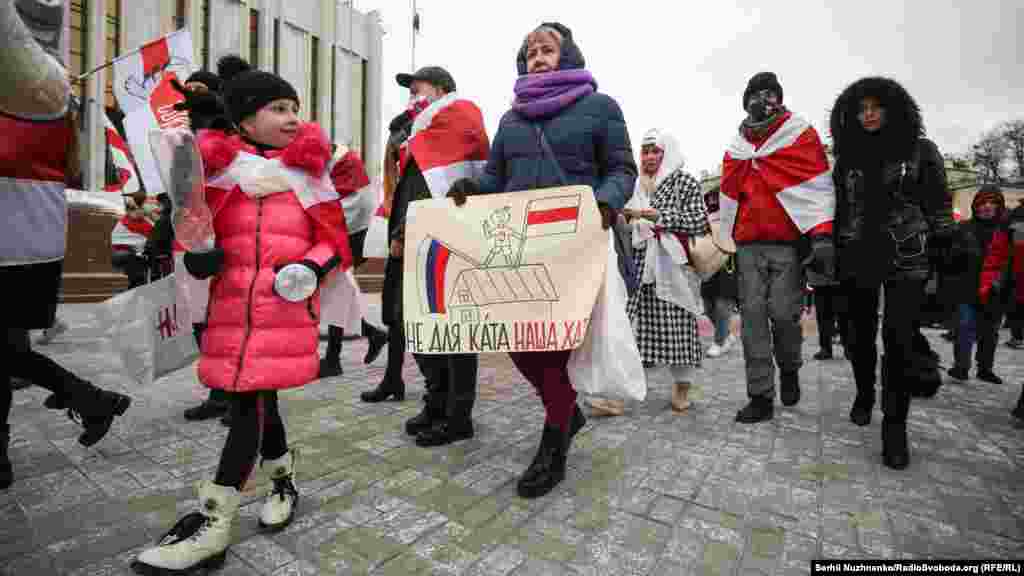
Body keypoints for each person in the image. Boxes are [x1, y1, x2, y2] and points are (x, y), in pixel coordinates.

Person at [132, 55, 350, 572]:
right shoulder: (216, 171)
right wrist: (195, 248)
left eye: (296, 107)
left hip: (282, 309)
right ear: (245, 119)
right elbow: (191, 222)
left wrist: (310, 268)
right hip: (231, 309)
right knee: (258, 398)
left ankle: (214, 520)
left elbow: (334, 241)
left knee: (247, 402)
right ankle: (282, 481)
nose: (293, 117)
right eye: (279, 108)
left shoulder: (308, 175)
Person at [451, 22, 636, 498]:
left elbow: (621, 168)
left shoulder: (600, 106)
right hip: (519, 251)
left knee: (554, 345)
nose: (538, 56)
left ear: (567, 55)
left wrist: (605, 201)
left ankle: (554, 438)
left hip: (576, 244)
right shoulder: (511, 120)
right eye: (530, 51)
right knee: (521, 342)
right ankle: (567, 411)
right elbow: (496, 180)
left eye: (547, 49)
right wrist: (471, 191)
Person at [0, 0, 131, 490]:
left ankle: (90, 397)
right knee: (7, 348)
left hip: (13, 235)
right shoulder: (46, 85)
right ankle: (85, 400)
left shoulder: (35, 77)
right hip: (27, 233)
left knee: (8, 349)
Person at [831, 76, 957, 470]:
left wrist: (945, 260)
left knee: (899, 340)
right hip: (857, 256)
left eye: (875, 107)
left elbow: (938, 206)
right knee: (857, 336)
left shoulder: (920, 151)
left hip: (908, 256)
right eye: (861, 109)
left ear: (893, 109)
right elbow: (838, 210)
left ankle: (895, 427)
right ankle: (864, 393)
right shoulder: (846, 157)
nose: (868, 114)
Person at [718, 72, 836, 423]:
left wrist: (822, 236)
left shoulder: (799, 135)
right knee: (752, 323)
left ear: (779, 98)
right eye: (755, 94)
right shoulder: (737, 147)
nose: (762, 99)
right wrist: (726, 238)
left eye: (769, 93)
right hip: (749, 246)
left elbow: (817, 188)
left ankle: (789, 367)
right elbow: (728, 195)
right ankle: (760, 396)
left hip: (787, 246)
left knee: (785, 317)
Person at [384, 66, 489, 447]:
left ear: (442, 88)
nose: (411, 95)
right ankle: (436, 401)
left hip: (446, 237)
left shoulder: (459, 114)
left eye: (417, 87)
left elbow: (443, 185)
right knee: (419, 326)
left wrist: (406, 229)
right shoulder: (418, 132)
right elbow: (412, 187)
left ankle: (458, 414)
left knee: (452, 330)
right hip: (414, 234)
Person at [623, 129, 708, 414]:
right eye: (645, 151)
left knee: (678, 323)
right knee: (626, 324)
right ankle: (616, 391)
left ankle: (682, 386)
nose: (648, 157)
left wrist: (660, 217)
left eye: (654, 151)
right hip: (637, 261)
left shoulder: (683, 181)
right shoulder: (634, 184)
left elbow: (698, 221)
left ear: (666, 152)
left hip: (671, 263)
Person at [169, 66, 232, 423]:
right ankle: (218, 390)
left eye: (200, 90)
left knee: (218, 321)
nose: (191, 95)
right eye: (188, 89)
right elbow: (177, 192)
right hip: (188, 239)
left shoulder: (225, 137)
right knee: (198, 322)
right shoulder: (183, 139)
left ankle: (230, 392)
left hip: (216, 240)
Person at [317, 143, 388, 379]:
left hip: (352, 230)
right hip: (357, 228)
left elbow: (350, 205)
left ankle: (335, 356)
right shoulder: (343, 160)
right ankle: (370, 332)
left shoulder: (337, 162)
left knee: (340, 288)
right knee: (345, 288)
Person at [358, 115, 412, 403]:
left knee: (405, 313)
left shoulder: (425, 141)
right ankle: (392, 379)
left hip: (414, 233)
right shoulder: (400, 135)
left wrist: (401, 233)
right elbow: (395, 184)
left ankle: (438, 393)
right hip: (398, 232)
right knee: (393, 313)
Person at [946, 185, 1010, 385]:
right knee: (964, 327)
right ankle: (961, 367)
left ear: (1000, 206)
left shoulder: (1007, 231)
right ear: (976, 206)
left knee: (990, 332)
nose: (987, 207)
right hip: (967, 288)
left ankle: (985, 369)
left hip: (995, 289)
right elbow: (949, 258)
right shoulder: (963, 228)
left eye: (992, 203)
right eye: (982, 203)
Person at [701, 185, 738, 359]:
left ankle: (719, 342)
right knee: (708, 307)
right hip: (709, 265)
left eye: (716, 197)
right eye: (710, 198)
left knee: (723, 306)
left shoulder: (731, 216)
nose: (713, 200)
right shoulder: (704, 217)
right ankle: (727, 335)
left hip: (729, 265)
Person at [808, 263, 846, 360]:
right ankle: (826, 347)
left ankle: (846, 346)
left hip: (839, 275)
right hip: (820, 277)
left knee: (842, 313)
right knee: (824, 314)